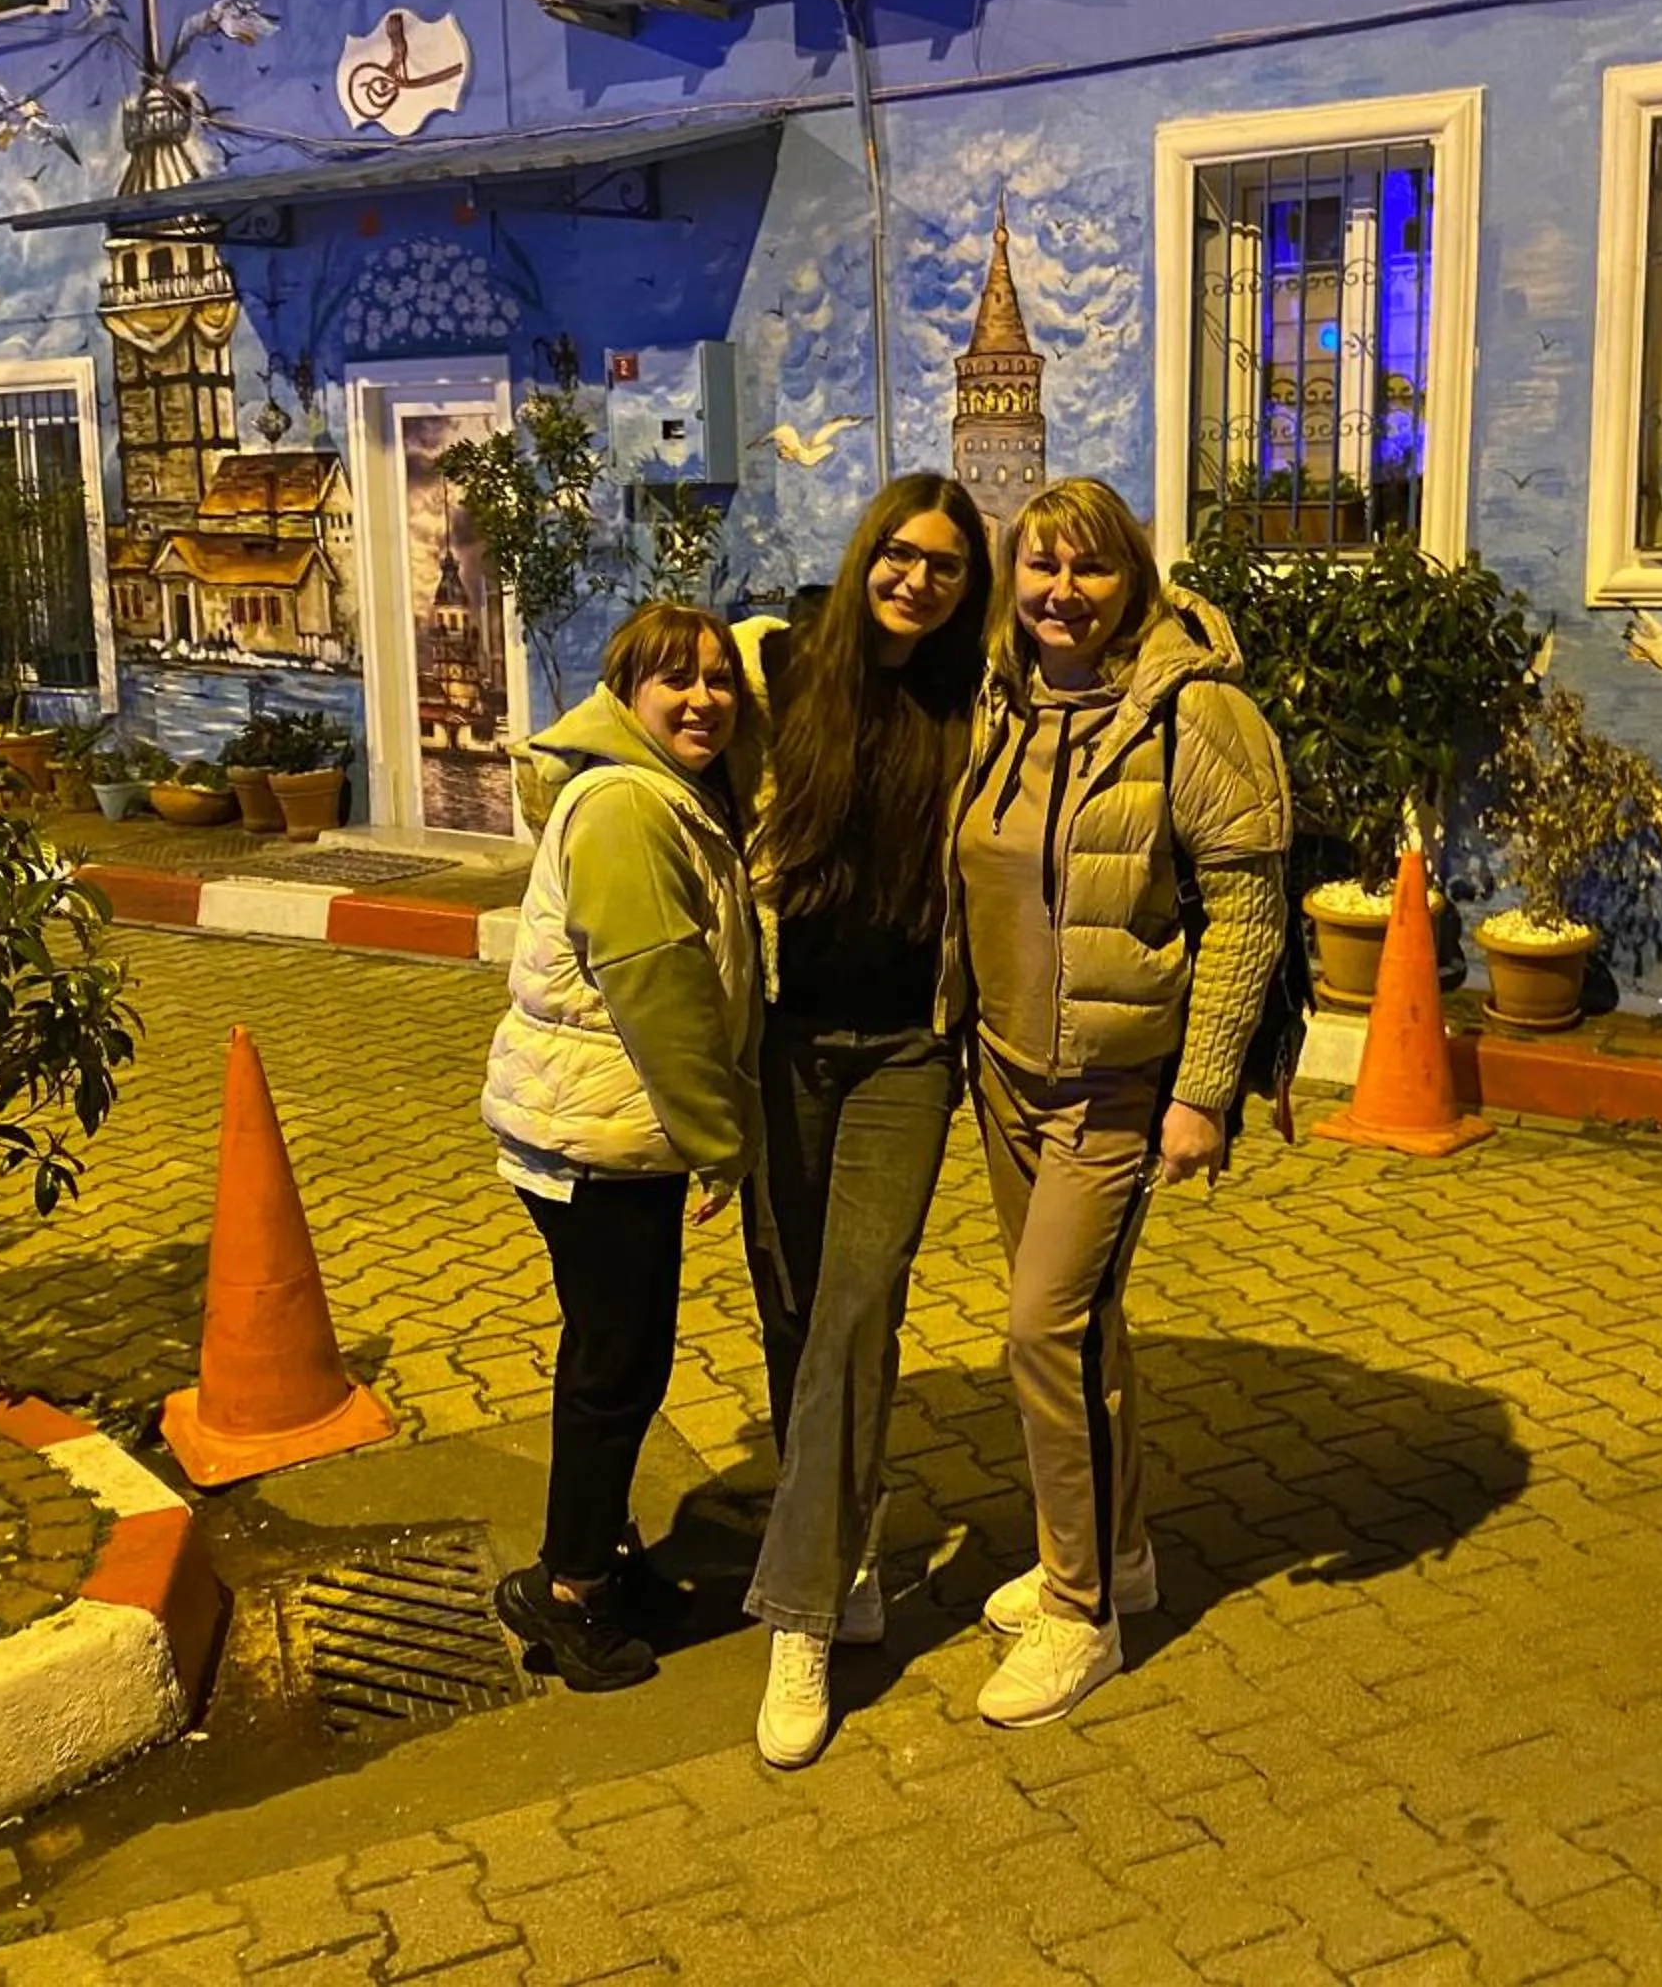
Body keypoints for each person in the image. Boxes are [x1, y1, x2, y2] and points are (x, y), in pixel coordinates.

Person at [942, 475, 1290, 1728]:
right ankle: (1116, 1548)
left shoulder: (1192, 715)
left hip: (1115, 1084)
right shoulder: (1002, 700)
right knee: (1087, 1332)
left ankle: (1081, 1613)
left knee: (1041, 1332)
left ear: (1130, 578)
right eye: (1040, 567)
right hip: (1002, 1074)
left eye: (1088, 568)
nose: (1061, 592)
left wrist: (1202, 1096)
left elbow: (1248, 907)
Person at [735, 472, 994, 1770]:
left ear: (968, 585)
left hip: (906, 1050)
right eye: (900, 552)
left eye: (945, 564)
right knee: (792, 1309)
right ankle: (842, 1552)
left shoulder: (981, 706)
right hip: (781, 1042)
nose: (917, 578)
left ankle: (797, 1621)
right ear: (864, 553)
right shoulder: (777, 669)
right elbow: (647, 762)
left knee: (856, 1303)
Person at [483, 602, 762, 1693]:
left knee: (626, 1359)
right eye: (675, 681)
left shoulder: (663, 792)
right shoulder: (625, 807)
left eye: (720, 680)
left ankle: (597, 1557)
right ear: (625, 697)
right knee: (613, 1368)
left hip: (602, 1129)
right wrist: (720, 1143)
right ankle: (566, 1595)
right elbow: (659, 991)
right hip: (593, 1139)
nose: (703, 699)